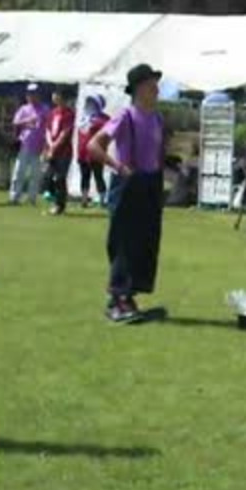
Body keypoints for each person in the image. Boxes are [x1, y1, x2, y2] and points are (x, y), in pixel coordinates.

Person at [88, 64, 167, 323]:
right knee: (124, 242)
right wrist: (118, 166)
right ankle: (116, 299)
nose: (156, 89)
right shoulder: (125, 116)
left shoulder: (157, 118)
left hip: (151, 184)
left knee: (145, 242)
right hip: (128, 184)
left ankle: (129, 296)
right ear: (139, 88)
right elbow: (94, 146)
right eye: (152, 84)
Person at [9, 83, 49, 205]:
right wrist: (27, 121)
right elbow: (15, 123)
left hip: (39, 145)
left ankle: (32, 198)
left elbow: (49, 126)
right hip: (25, 144)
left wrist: (46, 144)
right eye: (30, 94)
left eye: (34, 94)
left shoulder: (45, 109)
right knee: (19, 172)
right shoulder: (24, 109)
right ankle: (15, 197)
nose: (32, 96)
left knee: (35, 174)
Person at [43, 89, 76, 215]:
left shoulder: (69, 114)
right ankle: (55, 199)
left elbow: (65, 133)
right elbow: (48, 130)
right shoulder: (53, 113)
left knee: (60, 178)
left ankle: (59, 205)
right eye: (54, 94)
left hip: (64, 152)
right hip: (51, 150)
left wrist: (54, 146)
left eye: (57, 95)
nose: (54, 97)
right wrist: (50, 146)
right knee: (48, 176)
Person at [76, 94, 110, 208]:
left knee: (98, 176)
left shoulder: (104, 119)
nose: (89, 105)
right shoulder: (83, 118)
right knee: (84, 176)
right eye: (88, 102)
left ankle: (102, 199)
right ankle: (84, 199)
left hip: (96, 153)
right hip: (83, 152)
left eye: (92, 103)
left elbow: (107, 135)